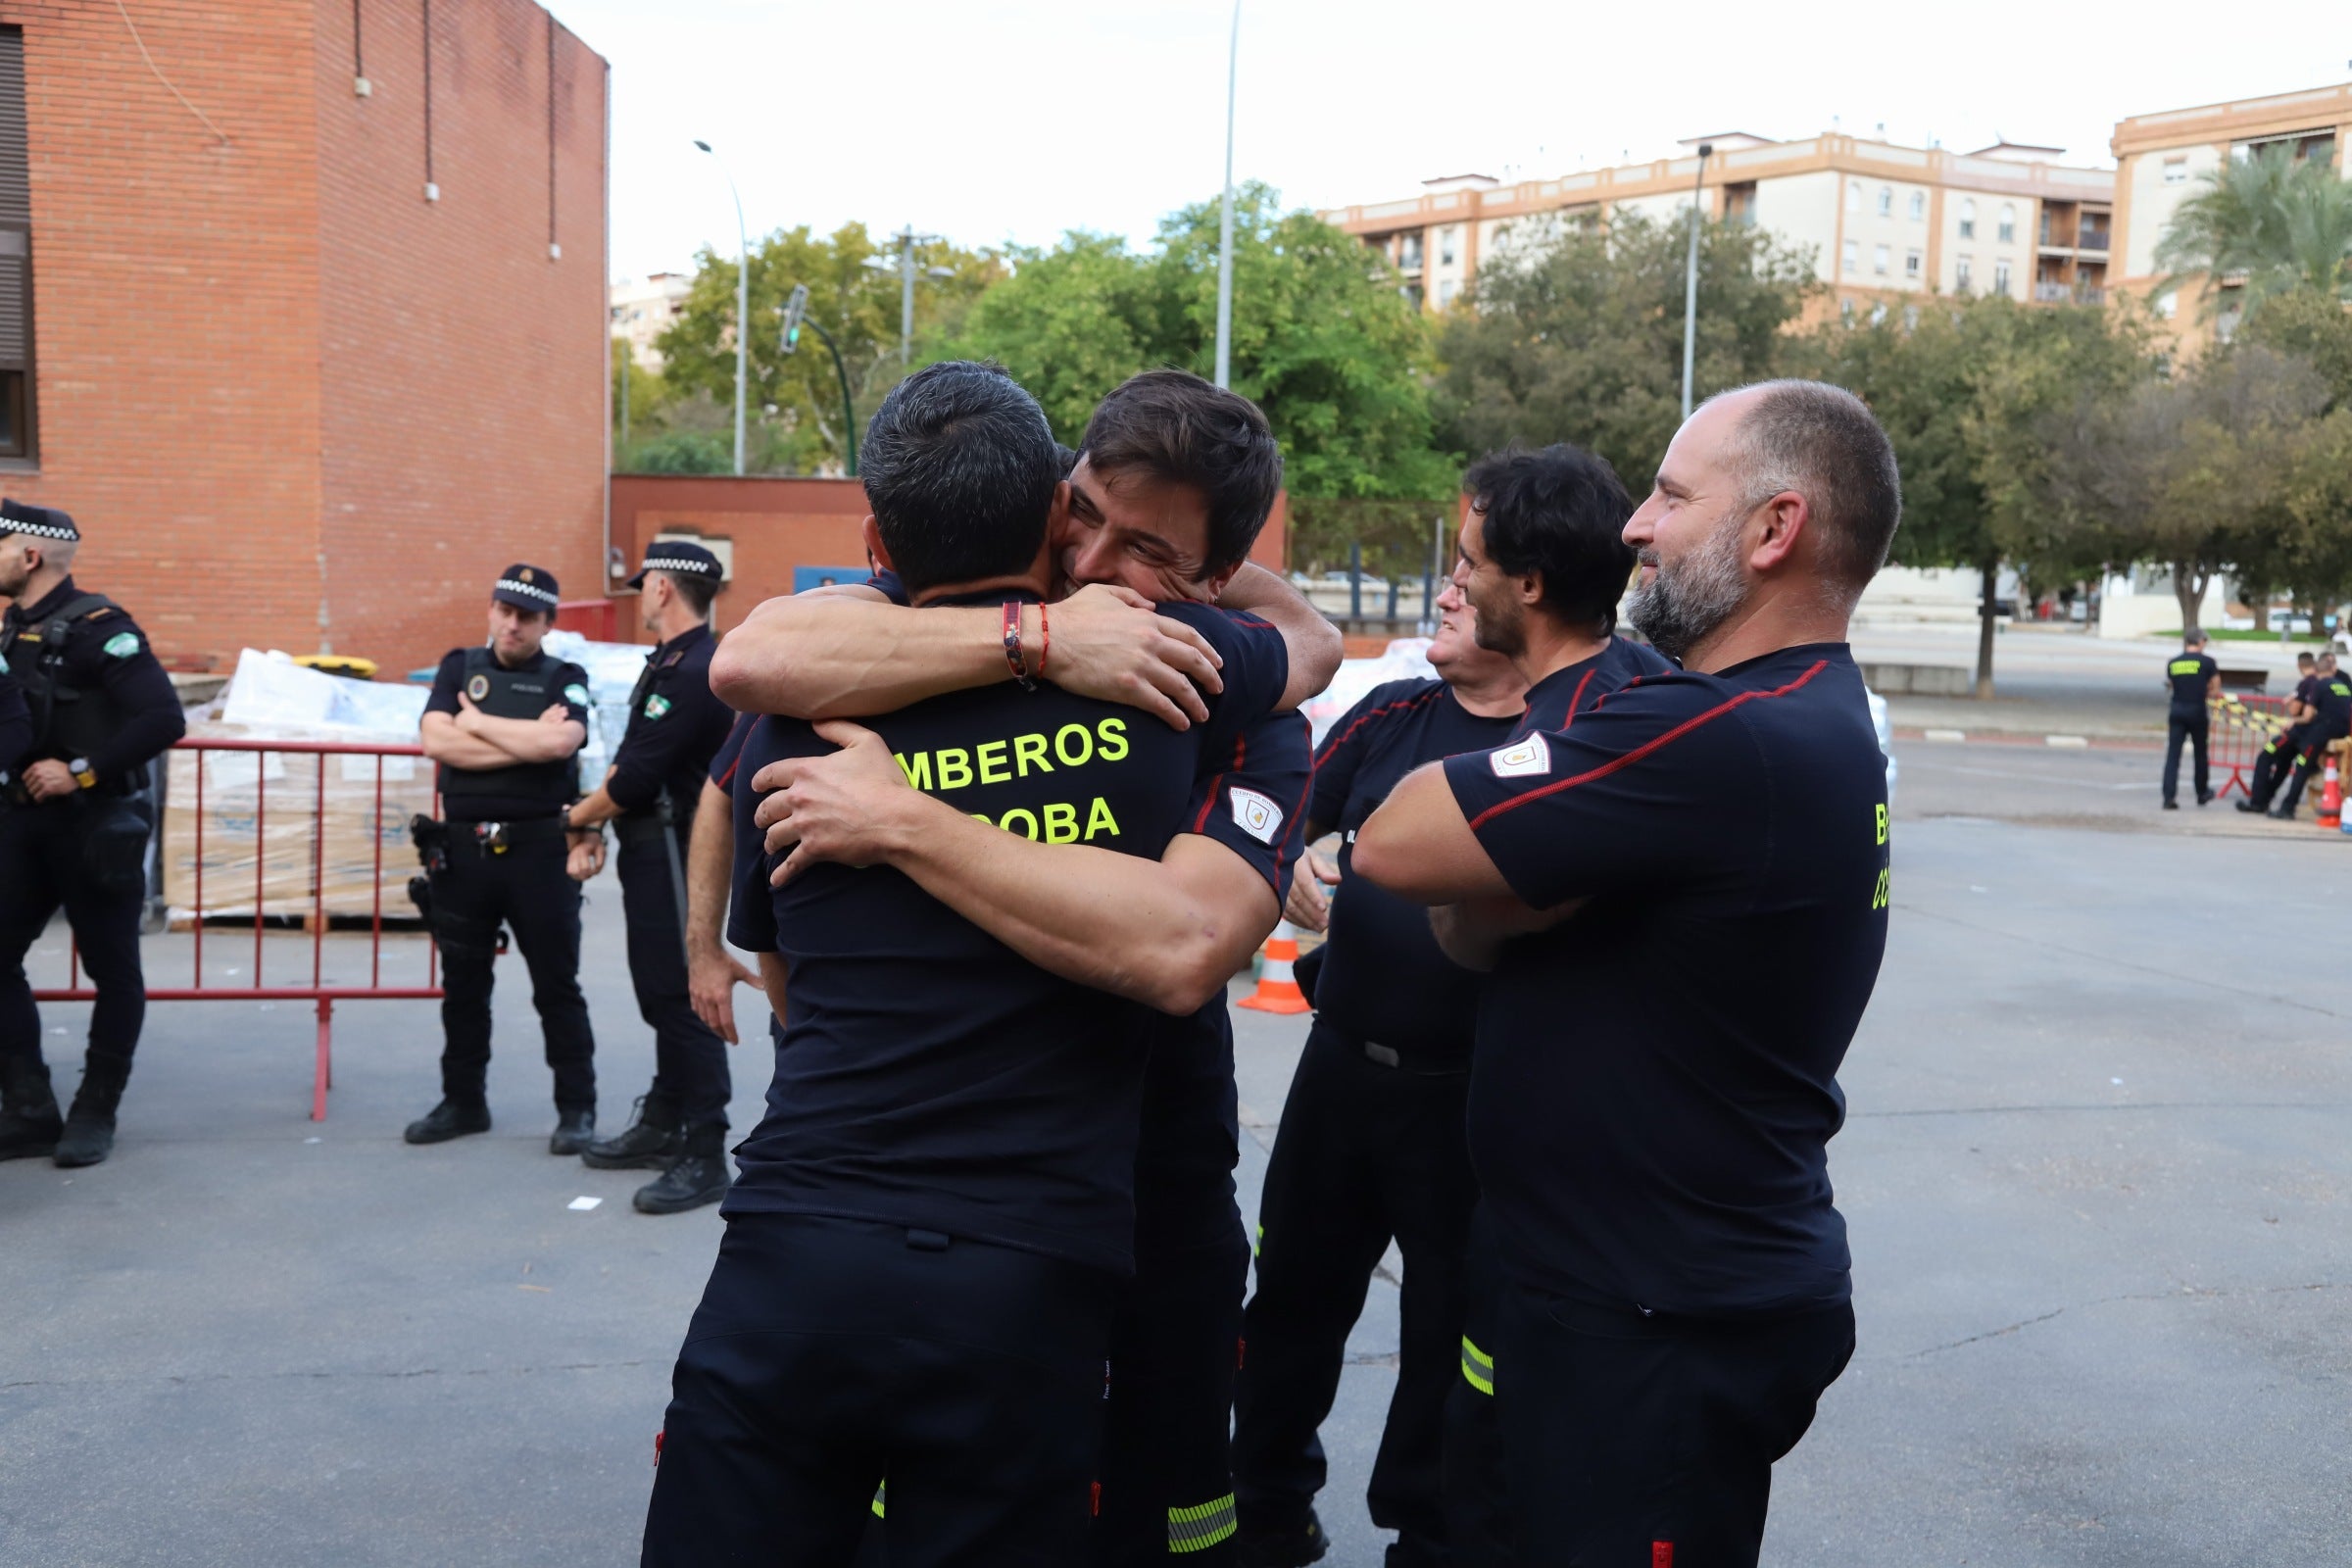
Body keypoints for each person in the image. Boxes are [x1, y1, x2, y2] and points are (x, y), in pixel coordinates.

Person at [641, 362, 1294, 1564]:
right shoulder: (849, 659)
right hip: (996, 1257)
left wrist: (910, 827)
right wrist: (1036, 638)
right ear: (1049, 499)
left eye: (1147, 550)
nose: (1097, 565)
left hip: (935, 1234)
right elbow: (752, 654)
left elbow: (1183, 943)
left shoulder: (1182, 673)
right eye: (1085, 516)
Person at [1351, 381, 1900, 1566]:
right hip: (1622, 1293)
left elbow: (1394, 839)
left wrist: (1497, 882)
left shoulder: (1708, 732)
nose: (1634, 528)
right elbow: (1472, 925)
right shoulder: (1805, 713)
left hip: (1655, 1324)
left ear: (1774, 530)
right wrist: (1502, 895)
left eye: (1669, 495)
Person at [1233, 444, 1662, 1568]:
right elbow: (1279, 828)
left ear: (1529, 586)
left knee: (1447, 1338)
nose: (1447, 586)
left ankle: (1422, 1532)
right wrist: (1291, 868)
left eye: (1467, 568)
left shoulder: (1604, 727)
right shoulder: (1387, 720)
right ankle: (1267, 1505)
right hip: (1341, 1078)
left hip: (1476, 1102)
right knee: (1287, 1309)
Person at [0, 501, 186, 1167]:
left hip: (92, 825)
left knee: (113, 971)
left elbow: (164, 716)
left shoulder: (100, 629)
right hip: (23, 825)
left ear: (30, 556)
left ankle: (94, 1112)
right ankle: (28, 1110)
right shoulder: (12, 629)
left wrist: (81, 771)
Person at [564, 542, 738, 1213]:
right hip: (655, 845)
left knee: (683, 996)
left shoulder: (693, 669)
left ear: (662, 588)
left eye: (644, 586)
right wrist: (593, 822)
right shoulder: (677, 662)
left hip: (676, 849)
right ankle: (667, 1119)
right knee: (662, 992)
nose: (640, 597)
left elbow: (635, 777)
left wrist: (571, 820)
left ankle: (705, 1148)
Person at [407, 565, 598, 1152]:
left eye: (527, 616)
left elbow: (562, 743)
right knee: (463, 986)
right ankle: (463, 1102)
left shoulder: (566, 676)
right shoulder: (458, 667)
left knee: (555, 987)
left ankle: (576, 1109)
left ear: (547, 623)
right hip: (463, 853)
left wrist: (478, 724)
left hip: (540, 851)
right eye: (504, 610)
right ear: (491, 610)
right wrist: (523, 743)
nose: (512, 624)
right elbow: (437, 741)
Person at [2257, 651, 2352, 821]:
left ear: (2317, 671)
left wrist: (2294, 721)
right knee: (2301, 763)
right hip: (2340, 732)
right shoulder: (2342, 685)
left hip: (2320, 733)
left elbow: (2307, 716)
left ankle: (2287, 808)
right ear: (2332, 669)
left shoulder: (2319, 685)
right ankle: (2278, 801)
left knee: (2301, 767)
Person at [2160, 630, 2219, 809]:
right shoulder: (2207, 662)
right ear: (2200, 642)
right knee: (2200, 753)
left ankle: (2168, 797)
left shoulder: (2173, 662)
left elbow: (2171, 683)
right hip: (2197, 710)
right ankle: (2202, 792)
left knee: (2173, 755)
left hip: (2177, 709)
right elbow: (2215, 688)